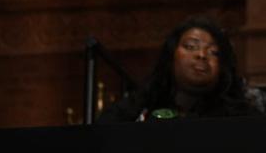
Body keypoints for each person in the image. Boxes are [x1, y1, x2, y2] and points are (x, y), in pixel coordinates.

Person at [97, 15, 255, 122]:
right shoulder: (138, 108)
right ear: (171, 55)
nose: (202, 55)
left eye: (214, 52)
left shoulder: (241, 117)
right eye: (191, 46)